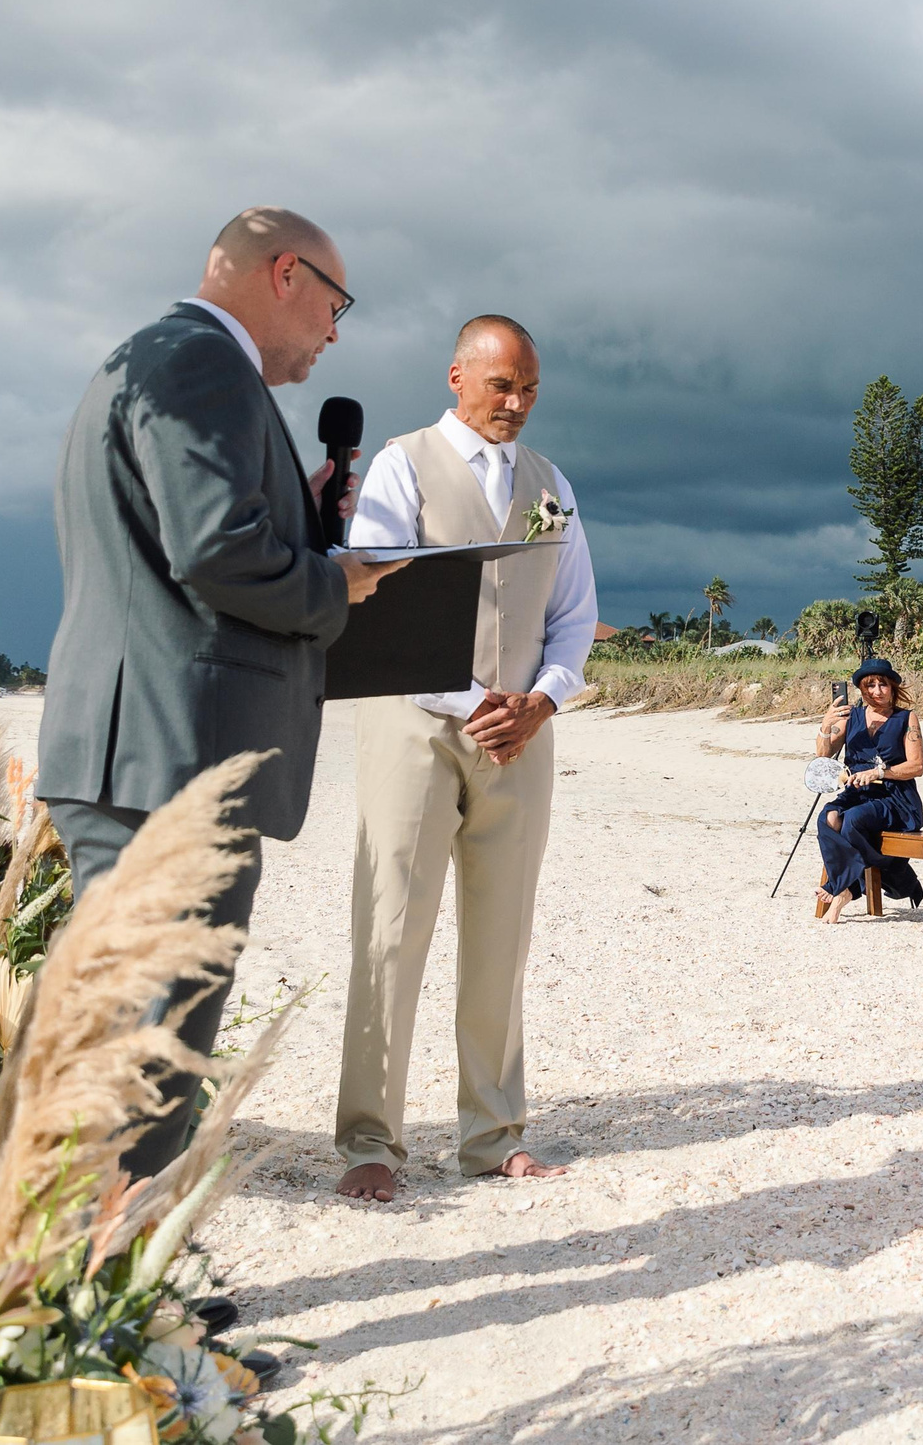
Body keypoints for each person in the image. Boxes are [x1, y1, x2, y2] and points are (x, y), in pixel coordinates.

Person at [38, 208, 403, 1177]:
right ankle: (113, 1297)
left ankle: (107, 1283)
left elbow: (193, 540)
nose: (336, 331)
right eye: (337, 304)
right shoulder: (202, 367)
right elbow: (213, 549)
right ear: (286, 274)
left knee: (132, 1027)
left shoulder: (157, 360)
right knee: (146, 1042)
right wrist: (340, 582)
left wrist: (307, 519)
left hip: (145, 749)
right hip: (166, 757)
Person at [332, 315, 599, 1202]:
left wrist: (542, 699)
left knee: (502, 937)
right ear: (457, 376)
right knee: (390, 931)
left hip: (520, 734)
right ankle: (371, 1138)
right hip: (413, 724)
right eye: (500, 387)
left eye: (528, 389)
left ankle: (492, 1134)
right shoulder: (404, 466)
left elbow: (572, 612)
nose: (515, 404)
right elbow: (373, 596)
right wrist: (470, 700)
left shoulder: (551, 484)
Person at [812, 659, 923, 924]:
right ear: (861, 690)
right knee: (827, 818)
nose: (876, 691)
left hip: (894, 796)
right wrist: (826, 726)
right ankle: (895, 874)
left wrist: (879, 772)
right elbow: (823, 756)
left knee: (853, 821)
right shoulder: (851, 717)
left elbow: (917, 766)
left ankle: (844, 890)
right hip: (858, 793)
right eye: (870, 686)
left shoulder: (905, 718)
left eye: (882, 684)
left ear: (893, 687)